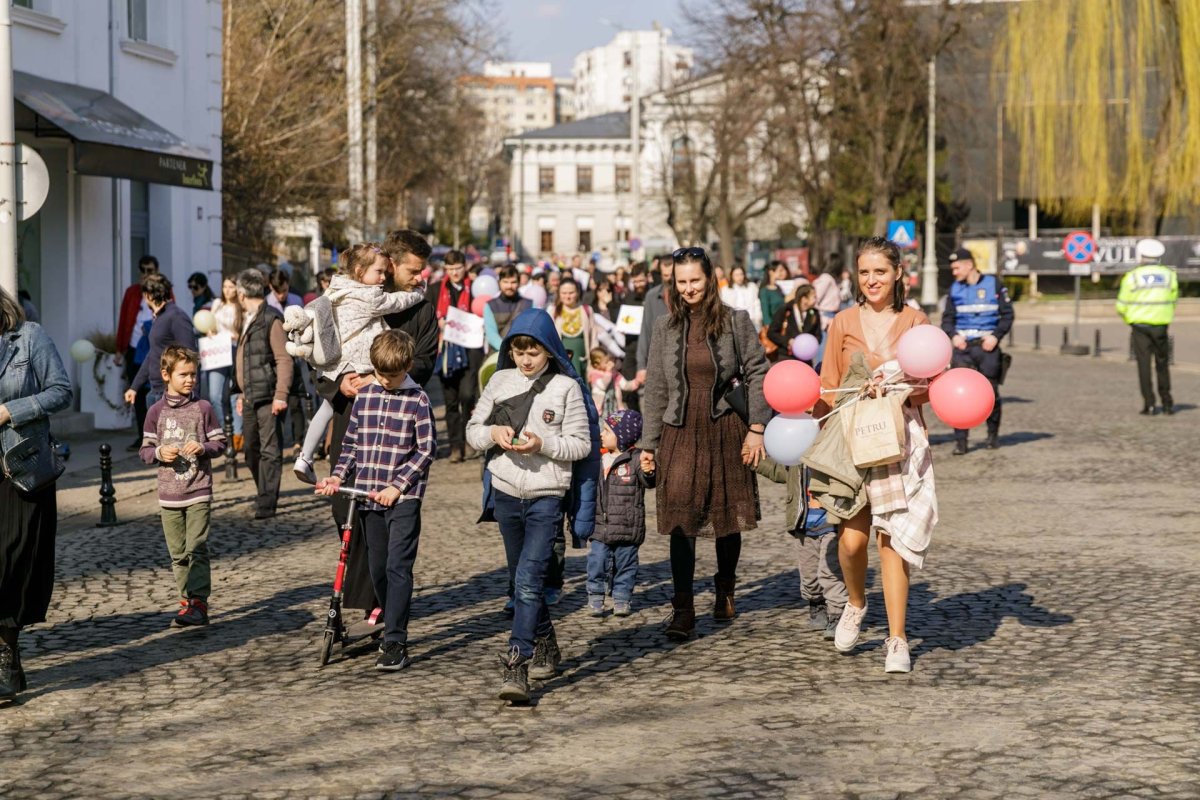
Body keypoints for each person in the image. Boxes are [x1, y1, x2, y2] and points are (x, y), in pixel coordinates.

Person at [813, 236, 937, 674]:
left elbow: (930, 386)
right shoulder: (842, 322)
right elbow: (827, 387)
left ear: (898, 273)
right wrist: (818, 461)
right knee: (851, 541)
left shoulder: (916, 321)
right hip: (851, 440)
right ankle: (856, 601)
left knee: (892, 543)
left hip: (899, 442)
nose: (872, 280)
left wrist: (901, 386)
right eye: (864, 272)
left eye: (880, 271)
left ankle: (897, 639)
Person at [638, 247, 770, 640]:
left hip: (725, 428)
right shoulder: (665, 327)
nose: (689, 288)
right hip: (679, 429)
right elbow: (657, 387)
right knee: (681, 519)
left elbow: (758, 370)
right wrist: (649, 443)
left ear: (710, 278)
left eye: (695, 280)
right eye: (681, 282)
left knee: (726, 516)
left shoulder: (735, 321)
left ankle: (725, 588)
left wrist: (757, 427)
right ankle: (682, 608)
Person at [466, 309, 597, 703]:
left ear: (549, 351)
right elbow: (473, 431)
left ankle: (517, 662)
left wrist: (544, 444)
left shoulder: (566, 389)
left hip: (546, 495)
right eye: (519, 351)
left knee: (528, 580)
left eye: (534, 351)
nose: (525, 359)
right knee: (521, 580)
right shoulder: (499, 381)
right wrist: (493, 432)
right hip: (506, 493)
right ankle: (547, 644)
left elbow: (582, 444)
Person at [314, 229, 438, 618]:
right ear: (391, 264)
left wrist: (384, 373)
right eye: (414, 270)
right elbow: (321, 352)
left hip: (399, 423)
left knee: (384, 511)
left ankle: (379, 602)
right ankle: (372, 591)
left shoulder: (421, 310)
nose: (421, 278)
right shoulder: (349, 295)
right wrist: (340, 383)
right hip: (351, 414)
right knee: (344, 507)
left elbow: (426, 361)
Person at [317, 330, 436, 671]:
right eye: (381, 374)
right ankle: (388, 616)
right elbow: (351, 445)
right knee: (377, 568)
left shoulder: (418, 399)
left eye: (393, 376)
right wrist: (338, 476)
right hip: (368, 496)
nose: (385, 381)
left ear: (407, 367)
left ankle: (395, 640)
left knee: (398, 567)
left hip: (403, 499)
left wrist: (398, 486)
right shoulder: (366, 395)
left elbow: (426, 450)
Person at [291, 243, 423, 482]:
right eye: (379, 272)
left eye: (386, 272)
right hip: (358, 361)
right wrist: (418, 294)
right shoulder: (369, 296)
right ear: (361, 271)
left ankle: (306, 456)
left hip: (336, 363)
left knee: (326, 408)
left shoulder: (337, 289)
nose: (384, 277)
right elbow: (397, 303)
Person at [0, 288, 71, 701]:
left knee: (10, 562)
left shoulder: (29, 337)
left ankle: (7, 653)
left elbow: (61, 391)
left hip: (22, 468)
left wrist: (13, 410)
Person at [138, 346, 226, 628]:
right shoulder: (155, 411)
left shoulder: (204, 408)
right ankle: (186, 600)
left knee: (197, 547)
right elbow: (145, 450)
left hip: (198, 490)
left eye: (193, 374)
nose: (190, 380)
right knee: (178, 553)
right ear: (166, 375)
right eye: (183, 374)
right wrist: (158, 453)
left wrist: (203, 447)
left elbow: (219, 443)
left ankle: (199, 601)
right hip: (169, 495)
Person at [757, 459, 845, 640]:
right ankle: (816, 603)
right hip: (804, 524)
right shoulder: (797, 457)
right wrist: (756, 461)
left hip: (832, 523)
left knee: (830, 572)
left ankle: (838, 613)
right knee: (809, 575)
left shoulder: (833, 450)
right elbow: (780, 472)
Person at [940, 247, 1014, 453]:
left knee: (990, 394)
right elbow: (947, 320)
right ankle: (961, 442)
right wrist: (954, 336)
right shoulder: (954, 289)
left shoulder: (993, 284)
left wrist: (995, 336)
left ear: (969, 265)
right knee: (959, 397)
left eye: (956, 268)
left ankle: (992, 436)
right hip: (963, 350)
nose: (953, 272)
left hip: (987, 349)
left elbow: (1007, 315)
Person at [233, 268, 293, 520]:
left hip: (269, 396)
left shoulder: (271, 318)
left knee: (270, 450)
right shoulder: (248, 318)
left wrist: (281, 394)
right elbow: (245, 360)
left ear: (241, 293)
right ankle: (264, 492)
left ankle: (267, 503)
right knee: (250, 451)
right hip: (249, 396)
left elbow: (283, 359)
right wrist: (240, 392)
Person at [586, 410, 655, 617]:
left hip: (627, 526)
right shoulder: (598, 459)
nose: (602, 434)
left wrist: (650, 471)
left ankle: (622, 597)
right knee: (596, 561)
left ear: (622, 436)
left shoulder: (635, 459)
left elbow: (648, 481)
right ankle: (596, 595)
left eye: (607, 430)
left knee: (626, 565)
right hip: (601, 525)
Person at [426, 250, 483, 463]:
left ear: (465, 266)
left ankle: (470, 439)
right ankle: (455, 446)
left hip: (471, 349)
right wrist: (437, 322)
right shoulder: (435, 290)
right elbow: (428, 316)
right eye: (450, 269)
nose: (455, 273)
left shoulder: (475, 288)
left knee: (468, 396)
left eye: (458, 268)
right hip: (447, 350)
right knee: (450, 401)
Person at [1116, 239, 1179, 416]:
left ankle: (1149, 404)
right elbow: (1173, 299)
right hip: (1161, 325)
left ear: (1141, 256)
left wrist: (1129, 319)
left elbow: (1121, 305)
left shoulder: (1132, 276)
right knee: (1162, 363)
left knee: (1143, 364)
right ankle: (1167, 403)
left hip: (1140, 326)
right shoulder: (1169, 275)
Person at [125, 273, 198, 409]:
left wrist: (191, 401)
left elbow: (190, 356)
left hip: (173, 394)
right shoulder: (160, 317)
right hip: (155, 392)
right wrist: (135, 387)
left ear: (148, 295)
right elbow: (153, 354)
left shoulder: (176, 317)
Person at [210, 277, 244, 451]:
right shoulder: (217, 304)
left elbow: (243, 333)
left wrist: (234, 336)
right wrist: (210, 333)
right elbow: (210, 325)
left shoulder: (240, 308)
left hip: (234, 350)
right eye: (225, 286)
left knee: (233, 394)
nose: (227, 290)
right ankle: (224, 431)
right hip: (217, 351)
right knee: (215, 395)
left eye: (231, 287)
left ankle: (238, 434)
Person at [767, 283, 823, 366]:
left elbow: (818, 336)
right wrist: (788, 341)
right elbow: (772, 333)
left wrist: (808, 342)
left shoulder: (814, 313)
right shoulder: (785, 310)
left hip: (805, 359)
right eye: (814, 297)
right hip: (785, 357)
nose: (816, 299)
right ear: (804, 299)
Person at [484, 265, 533, 351]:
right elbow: (491, 334)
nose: (509, 286)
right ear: (499, 282)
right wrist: (508, 350)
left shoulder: (530, 304)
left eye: (513, 282)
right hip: (498, 355)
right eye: (505, 282)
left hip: (523, 354)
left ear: (519, 283)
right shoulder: (490, 305)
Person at [551, 278, 592, 377]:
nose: (567, 296)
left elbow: (593, 338)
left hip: (583, 360)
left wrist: (593, 362)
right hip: (562, 361)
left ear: (577, 293)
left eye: (571, 293)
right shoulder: (553, 311)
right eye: (564, 293)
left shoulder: (587, 310)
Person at [720, 265, 763, 329]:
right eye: (736, 275)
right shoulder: (726, 290)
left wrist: (758, 318)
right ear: (732, 276)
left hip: (752, 321)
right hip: (735, 323)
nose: (739, 277)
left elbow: (756, 303)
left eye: (741, 274)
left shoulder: (752, 287)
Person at [759, 261, 790, 331]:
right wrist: (771, 329)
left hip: (788, 327)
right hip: (775, 328)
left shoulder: (788, 287)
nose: (784, 272)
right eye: (781, 270)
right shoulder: (765, 291)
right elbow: (766, 315)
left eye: (785, 270)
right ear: (771, 272)